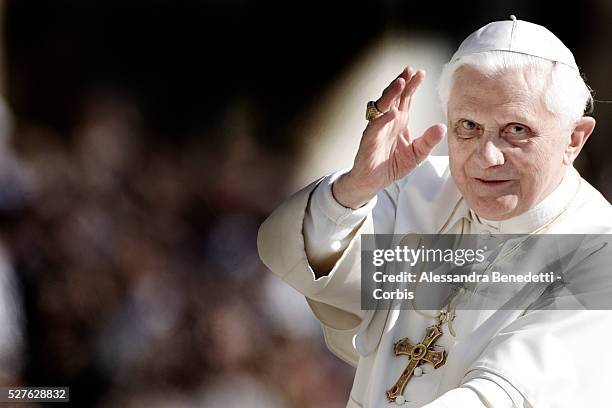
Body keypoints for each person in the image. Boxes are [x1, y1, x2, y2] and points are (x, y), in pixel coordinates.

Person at [257, 16, 612, 407]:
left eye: (516, 130)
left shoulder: (598, 250)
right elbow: (290, 255)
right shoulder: (422, 189)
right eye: (469, 126)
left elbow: (500, 397)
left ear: (574, 139)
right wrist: (354, 190)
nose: (487, 156)